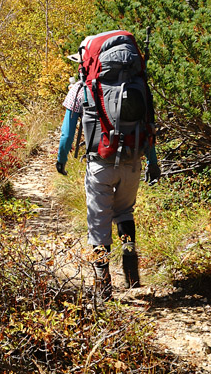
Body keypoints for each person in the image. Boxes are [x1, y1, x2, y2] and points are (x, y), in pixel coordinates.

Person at [56, 64, 161, 301]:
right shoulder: (139, 86)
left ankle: (103, 286)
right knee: (125, 211)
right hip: (132, 160)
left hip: (99, 163)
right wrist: (152, 162)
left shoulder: (80, 88)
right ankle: (130, 267)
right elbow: (149, 129)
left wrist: (61, 160)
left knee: (98, 222)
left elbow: (66, 132)